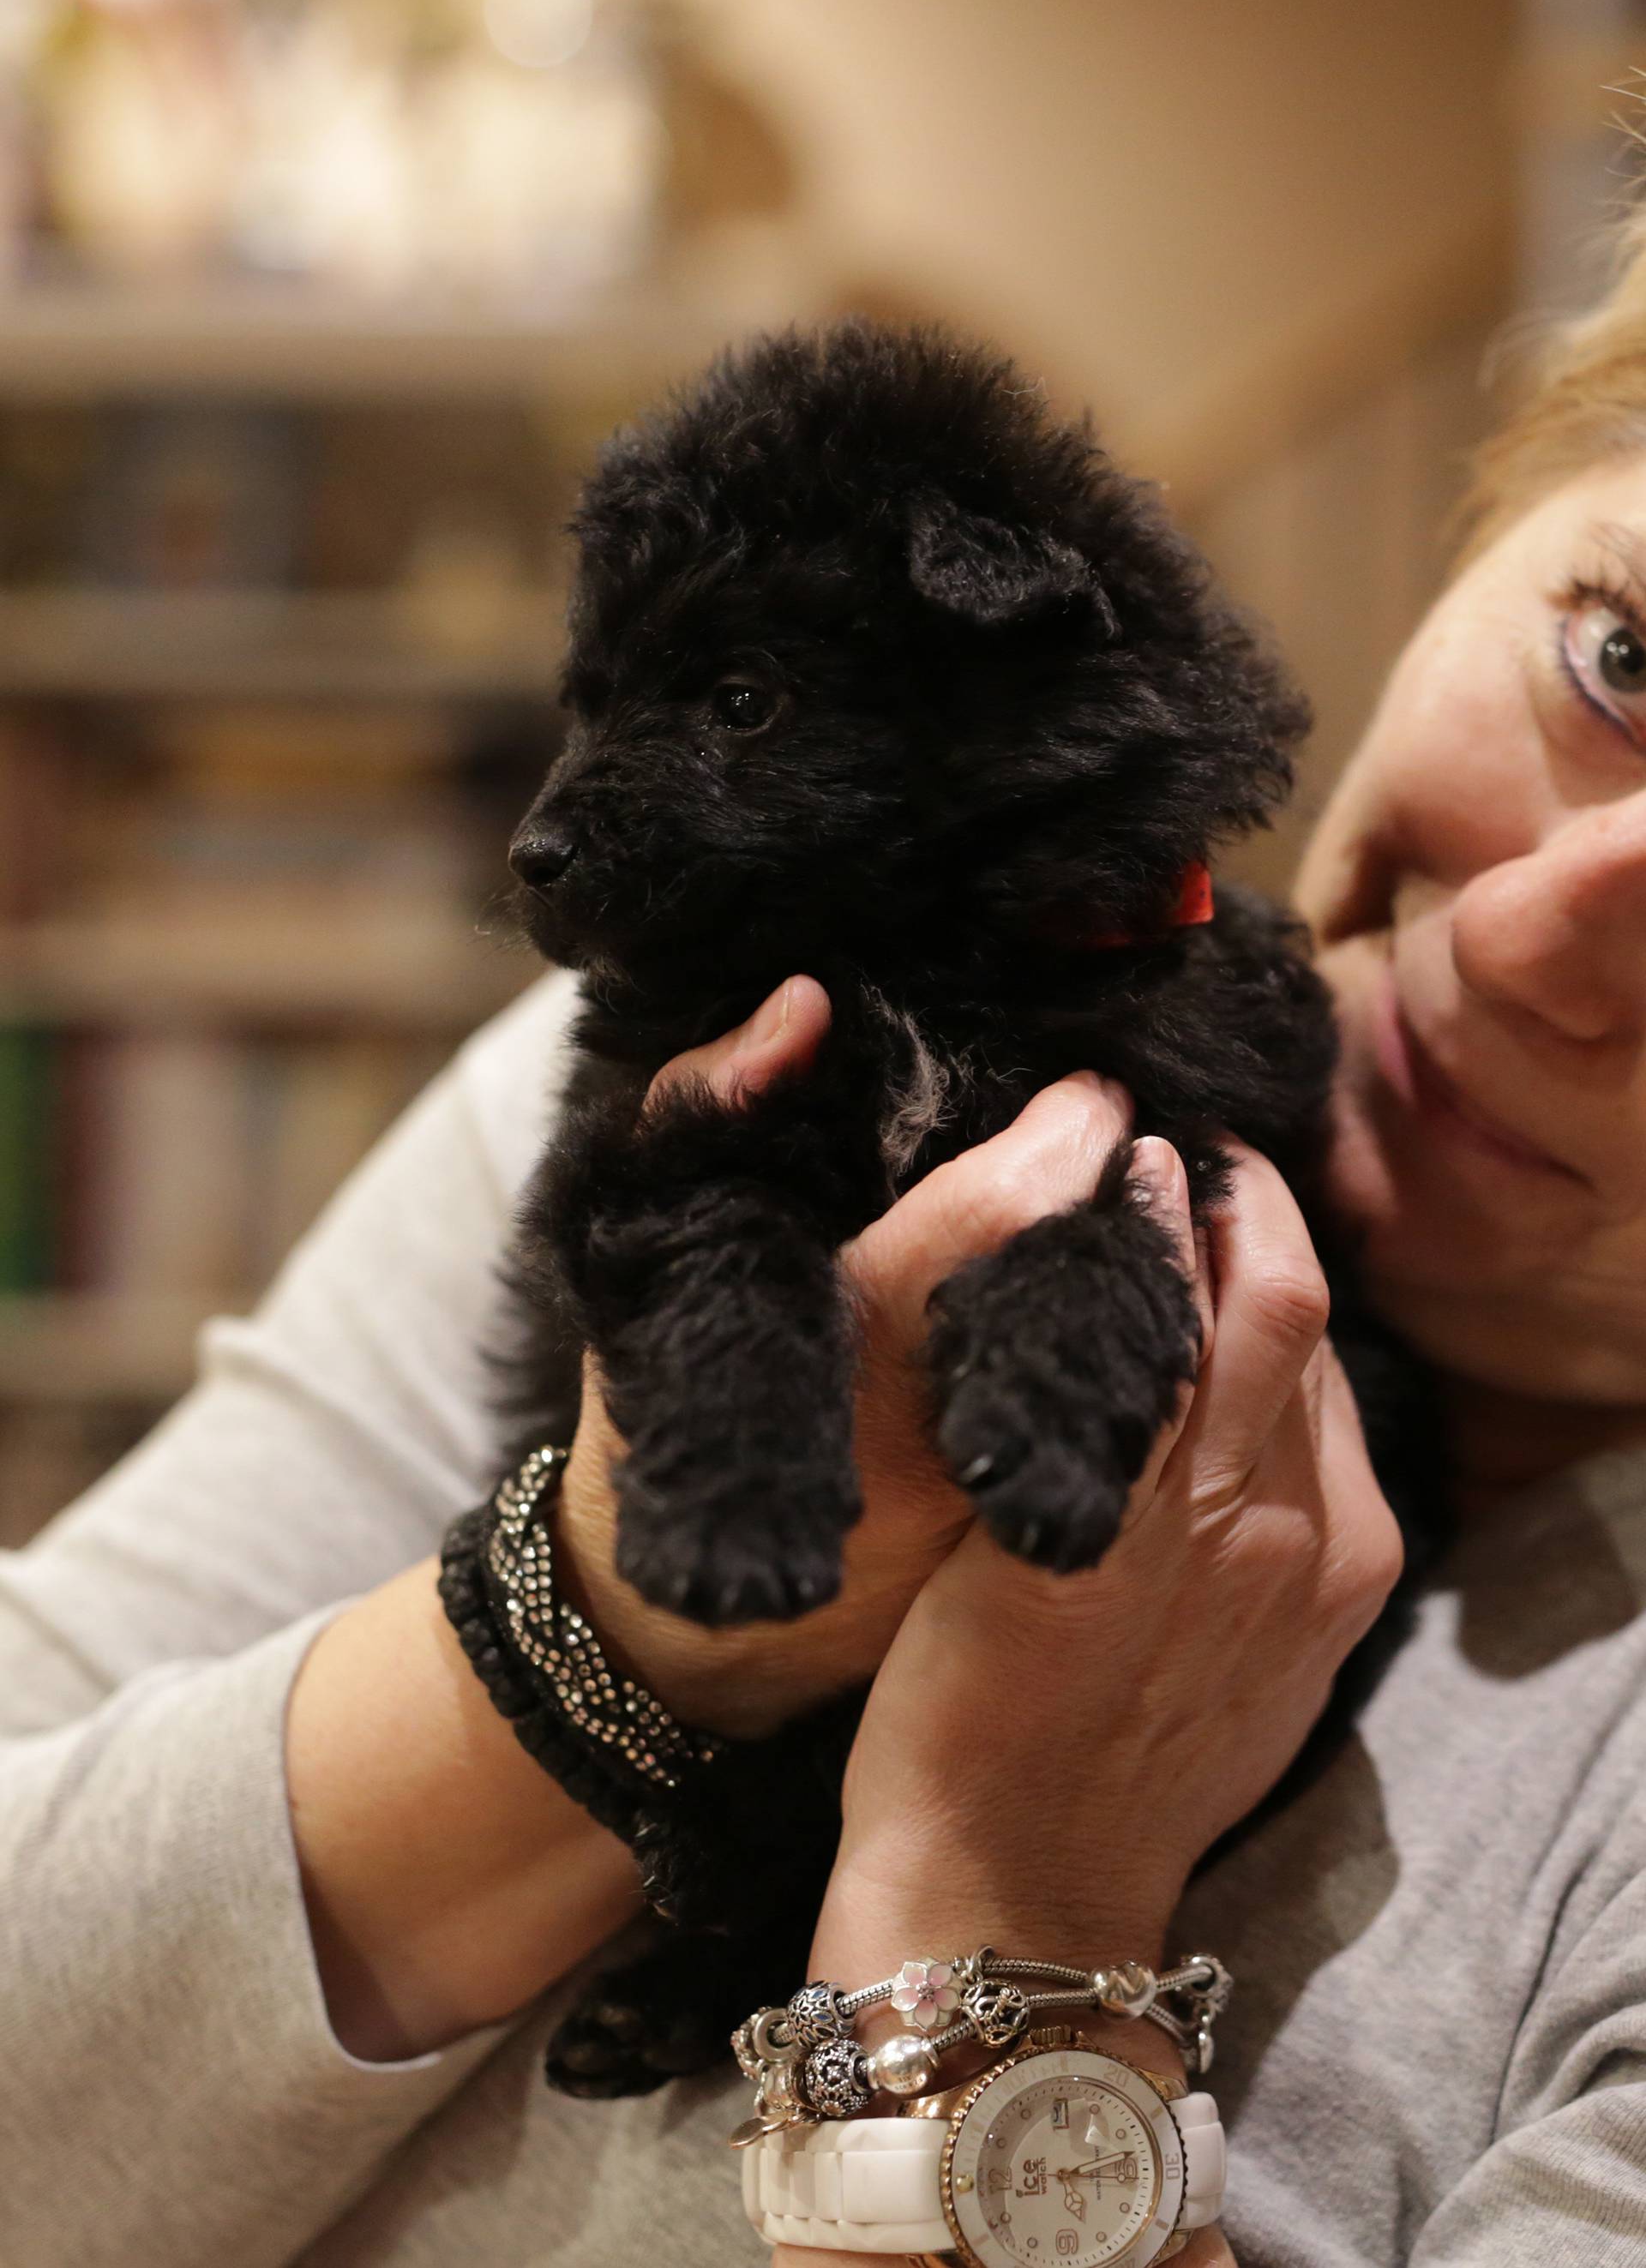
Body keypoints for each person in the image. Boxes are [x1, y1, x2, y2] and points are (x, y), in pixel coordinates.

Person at [10, 213, 1646, 2267]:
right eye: (1627, 656)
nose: (1529, 936)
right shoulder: (701, 1050)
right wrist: (592, 1633)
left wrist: (1003, 1894)